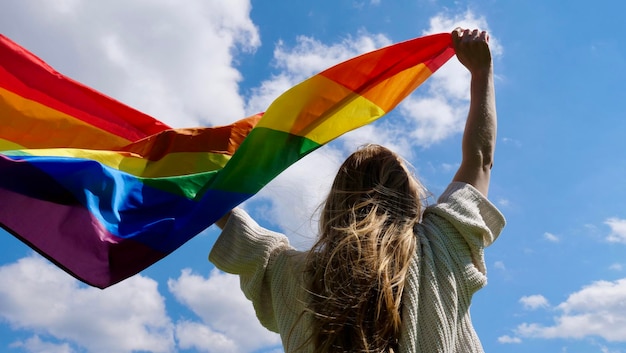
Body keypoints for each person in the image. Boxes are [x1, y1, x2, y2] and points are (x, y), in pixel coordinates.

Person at [209, 28, 505, 353]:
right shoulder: (440, 246)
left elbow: (225, 215)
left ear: (335, 204)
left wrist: (197, 170)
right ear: (410, 202)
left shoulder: (289, 275)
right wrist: (482, 71)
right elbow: (480, 159)